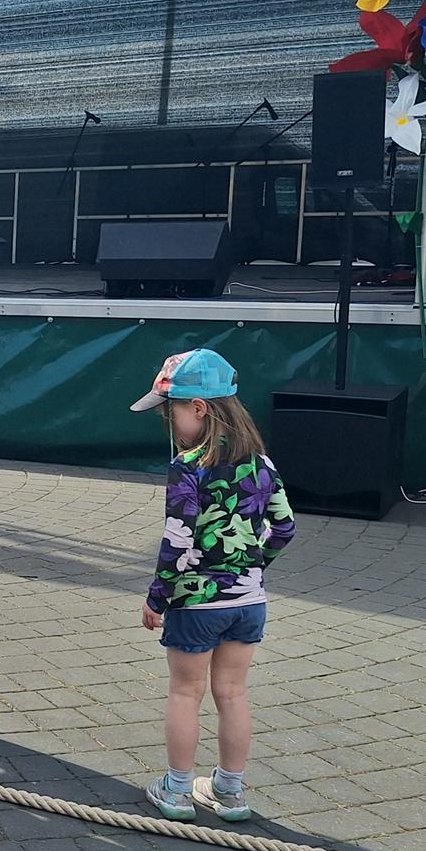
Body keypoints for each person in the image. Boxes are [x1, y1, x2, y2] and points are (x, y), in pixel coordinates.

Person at [131, 349, 294, 823]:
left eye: (172, 412)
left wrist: (158, 597)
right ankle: (230, 790)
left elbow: (178, 540)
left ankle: (178, 790)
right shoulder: (263, 464)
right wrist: (253, 566)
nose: (170, 423)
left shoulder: (189, 466)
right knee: (233, 693)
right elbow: (284, 528)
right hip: (249, 602)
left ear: (199, 408)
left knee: (186, 693)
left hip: (197, 602)